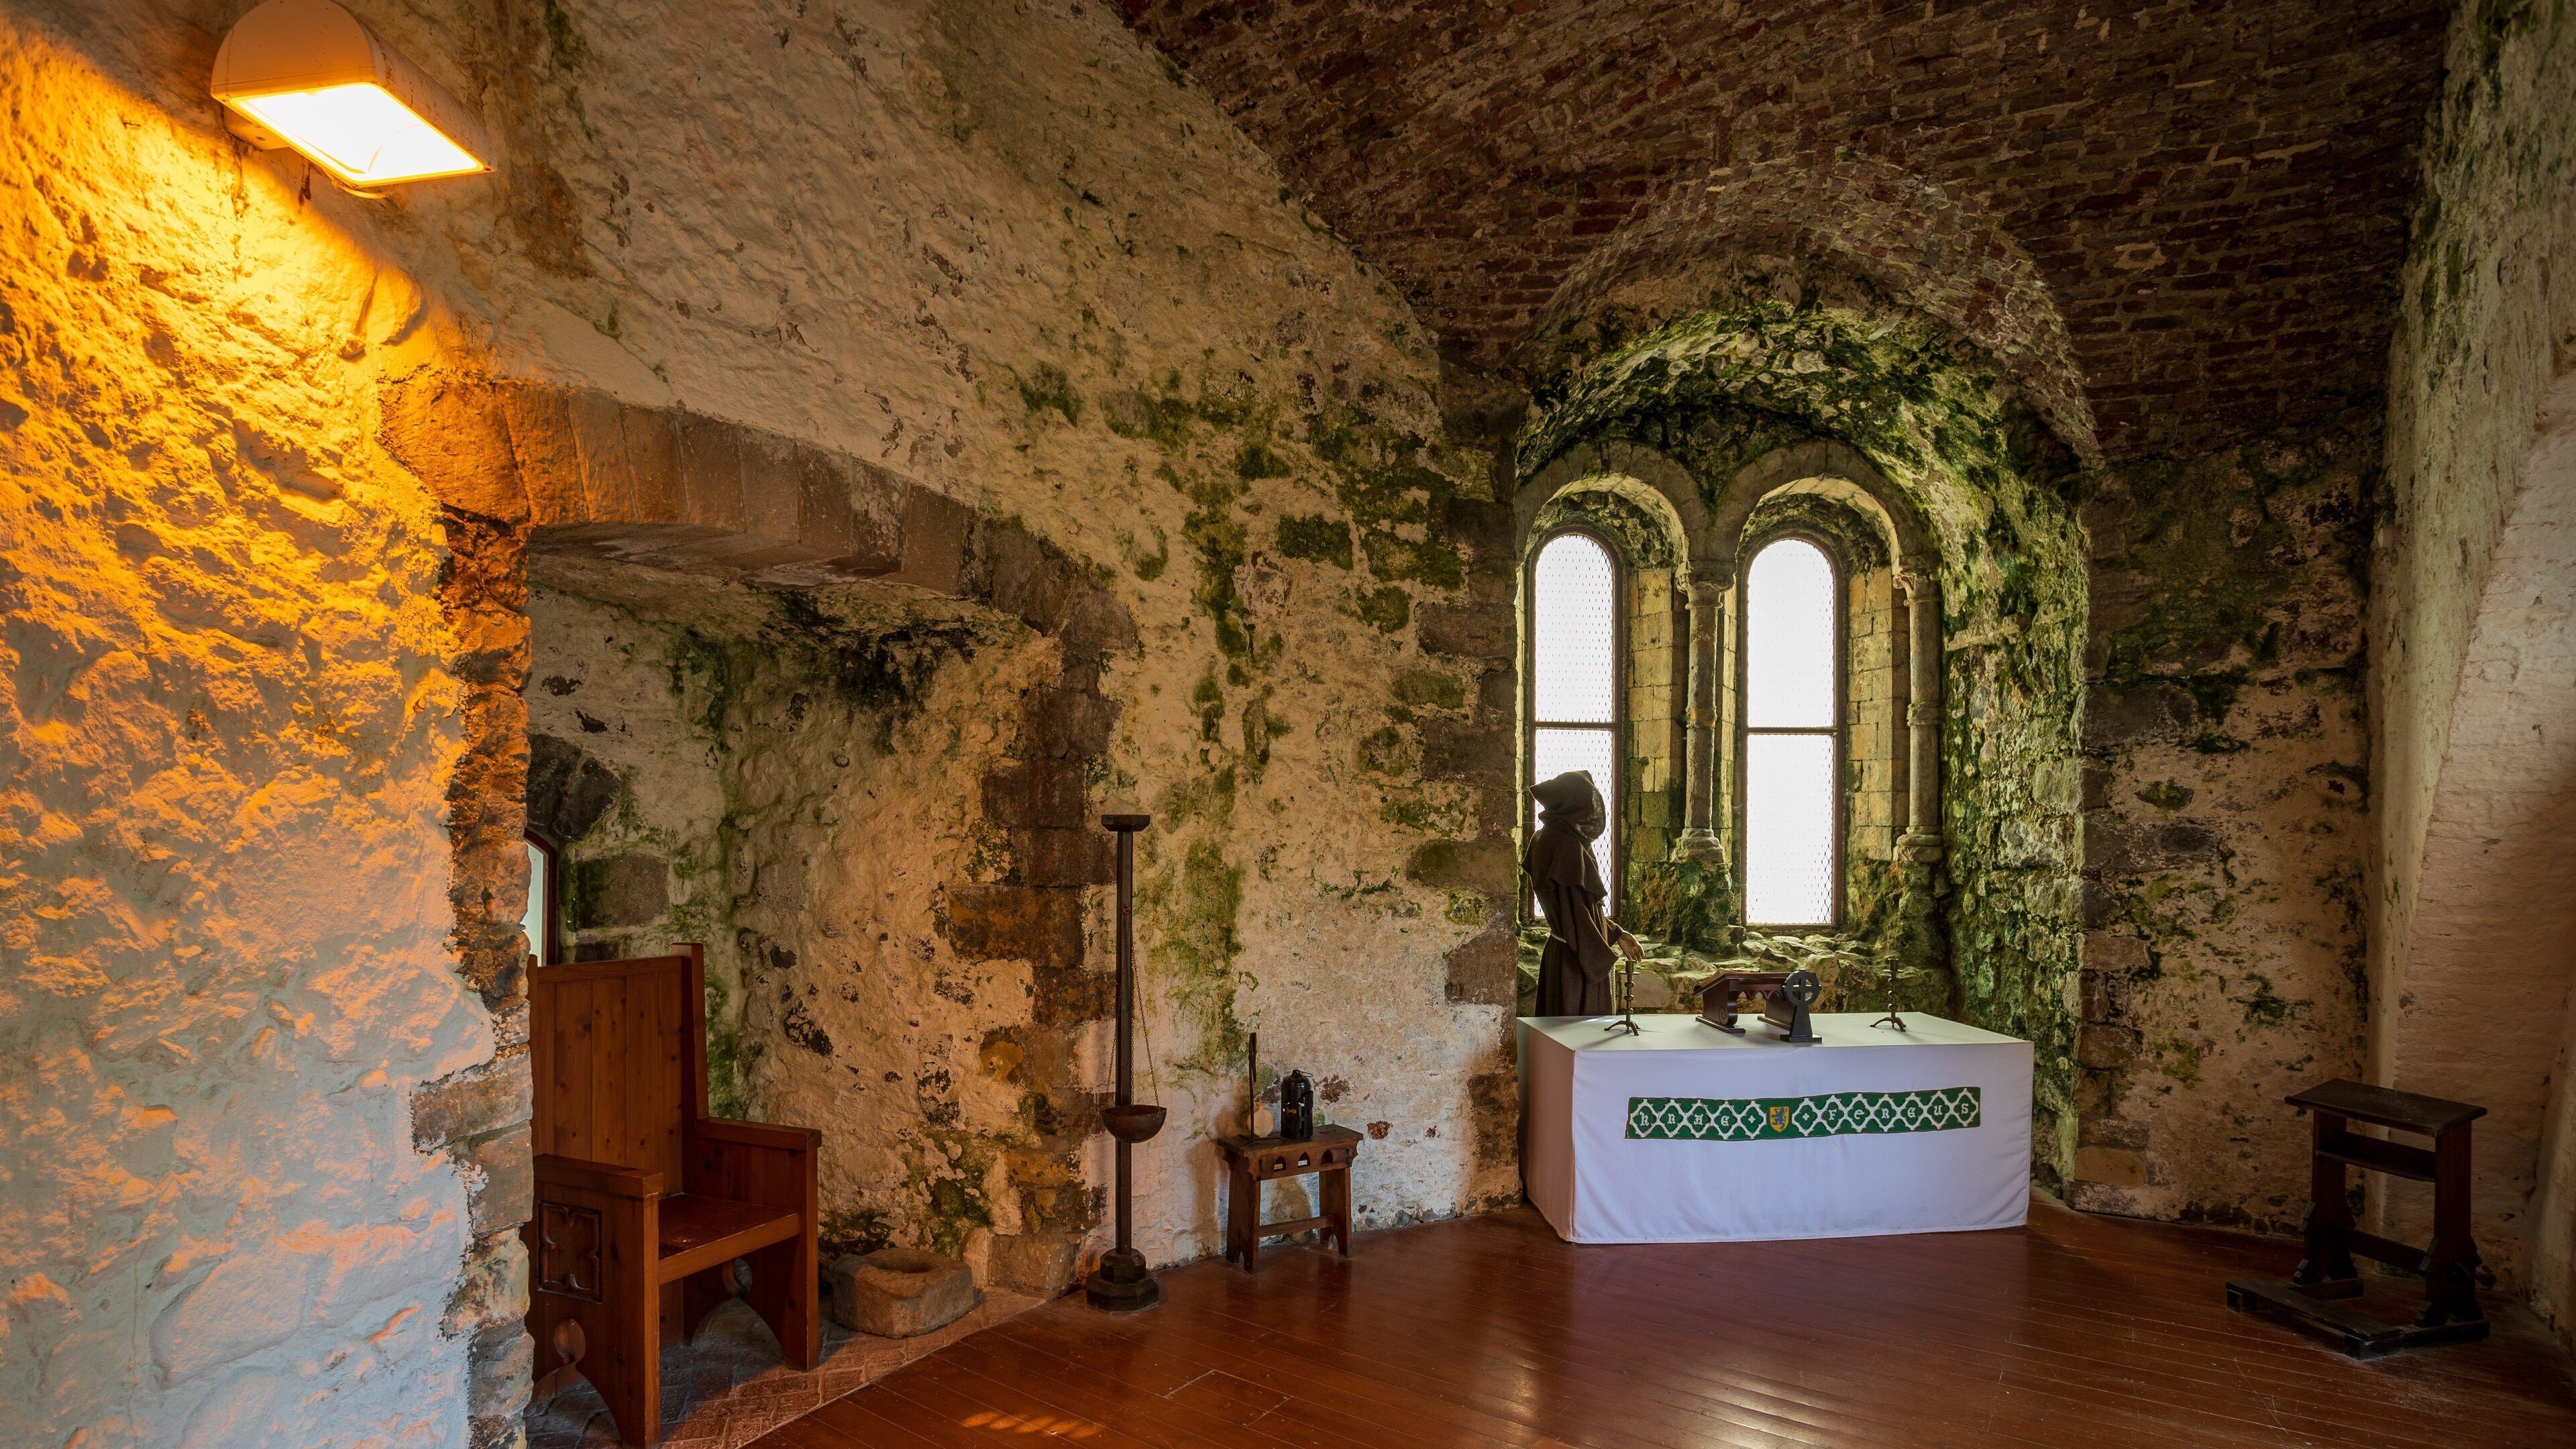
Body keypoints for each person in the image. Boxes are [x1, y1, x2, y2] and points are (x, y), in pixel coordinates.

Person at [1523, 770, 1643, 1016]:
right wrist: (1601, 959)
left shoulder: (1545, 838)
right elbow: (1576, 914)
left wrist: (1617, 933)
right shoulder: (1565, 845)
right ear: (1574, 803)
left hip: (1565, 952)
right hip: (1577, 962)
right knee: (1579, 1039)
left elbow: (1578, 906)